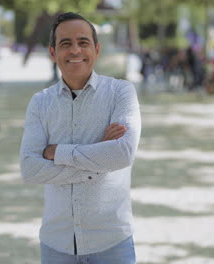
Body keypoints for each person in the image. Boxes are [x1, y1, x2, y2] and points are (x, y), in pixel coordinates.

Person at [20, 12, 141, 264]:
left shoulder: (121, 93)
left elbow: (122, 154)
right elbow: (30, 169)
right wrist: (98, 158)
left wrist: (59, 153)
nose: (75, 50)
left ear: (96, 49)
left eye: (83, 42)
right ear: (53, 53)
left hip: (112, 243)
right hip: (56, 244)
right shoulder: (40, 103)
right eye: (66, 43)